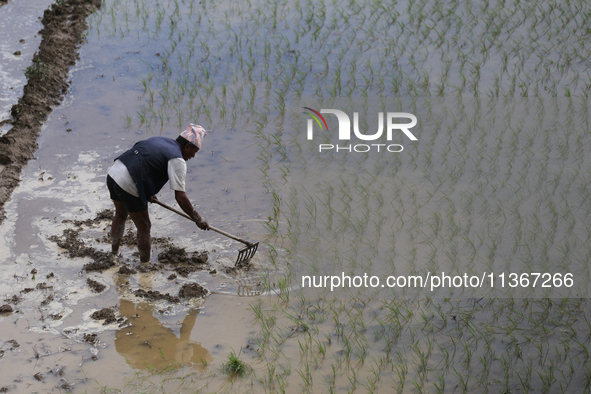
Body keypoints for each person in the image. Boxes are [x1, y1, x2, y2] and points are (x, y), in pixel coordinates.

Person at [106, 124, 210, 263]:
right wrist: (197, 218)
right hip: (129, 182)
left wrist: (147, 191)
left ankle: (113, 255)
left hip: (114, 173)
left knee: (120, 214)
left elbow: (145, 160)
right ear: (187, 147)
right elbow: (181, 197)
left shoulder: (161, 140)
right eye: (194, 151)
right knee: (144, 226)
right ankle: (145, 267)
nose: (193, 156)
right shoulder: (177, 159)